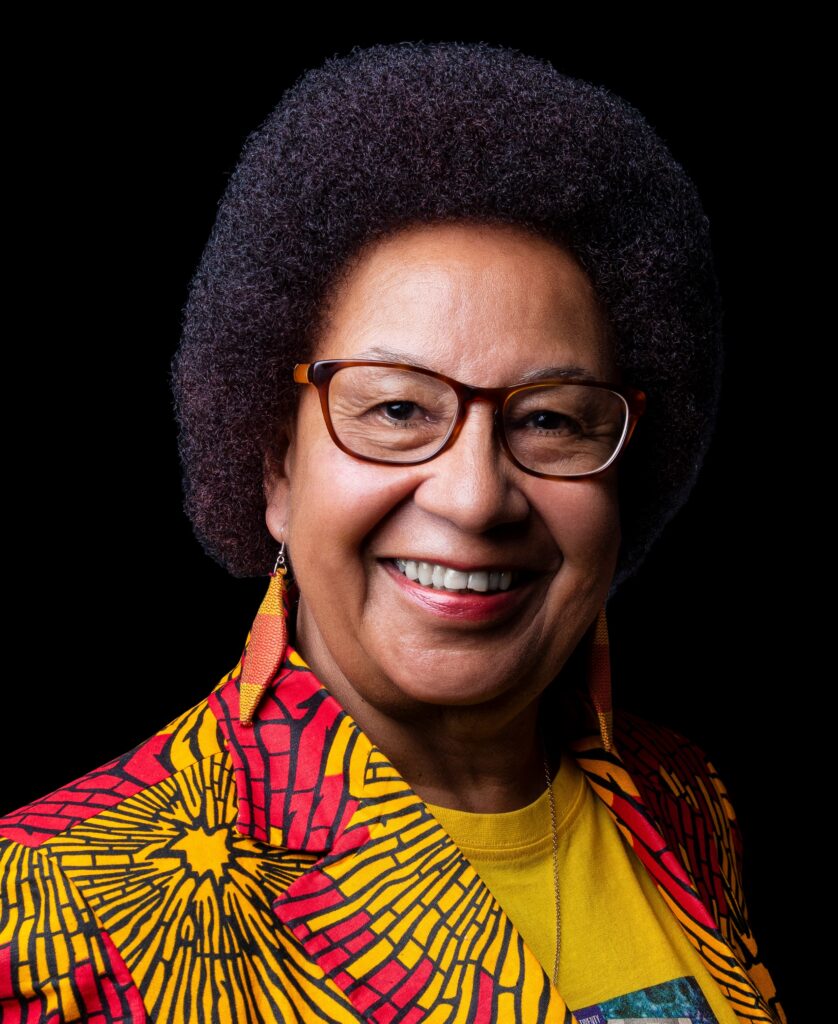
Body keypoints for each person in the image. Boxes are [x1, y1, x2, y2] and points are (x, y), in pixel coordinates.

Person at [0, 41, 784, 1024]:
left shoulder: (683, 796)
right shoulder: (57, 909)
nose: (472, 498)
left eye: (549, 418)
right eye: (397, 409)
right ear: (276, 467)